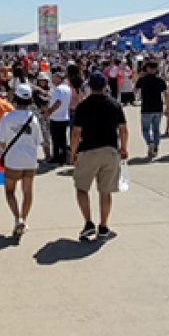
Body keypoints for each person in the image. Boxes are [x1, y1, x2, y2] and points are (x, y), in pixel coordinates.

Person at [68, 73, 129, 241]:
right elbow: (123, 129)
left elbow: (76, 133)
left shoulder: (83, 106)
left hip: (88, 150)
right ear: (105, 86)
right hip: (110, 150)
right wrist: (124, 147)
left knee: (81, 188)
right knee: (105, 191)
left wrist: (72, 153)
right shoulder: (114, 104)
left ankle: (88, 223)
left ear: (89, 86)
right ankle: (103, 226)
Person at [0, 84, 41, 239]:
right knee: (27, 191)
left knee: (10, 191)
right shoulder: (33, 118)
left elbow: (1, 142)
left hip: (13, 159)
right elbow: (38, 141)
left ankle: (17, 218)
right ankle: (24, 218)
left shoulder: (6, 118)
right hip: (30, 159)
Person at [135, 63, 168, 158]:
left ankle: (150, 142)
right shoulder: (160, 80)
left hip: (146, 107)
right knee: (156, 129)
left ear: (147, 69)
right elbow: (165, 93)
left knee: (145, 129)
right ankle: (156, 146)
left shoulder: (142, 80)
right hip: (158, 107)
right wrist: (167, 106)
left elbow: (135, 90)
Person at [45, 71, 72, 165]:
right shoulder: (68, 88)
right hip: (64, 116)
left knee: (56, 139)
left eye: (54, 78)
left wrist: (49, 111)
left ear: (59, 79)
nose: (52, 80)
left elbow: (58, 102)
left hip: (56, 117)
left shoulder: (58, 89)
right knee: (63, 139)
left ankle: (56, 157)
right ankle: (63, 157)